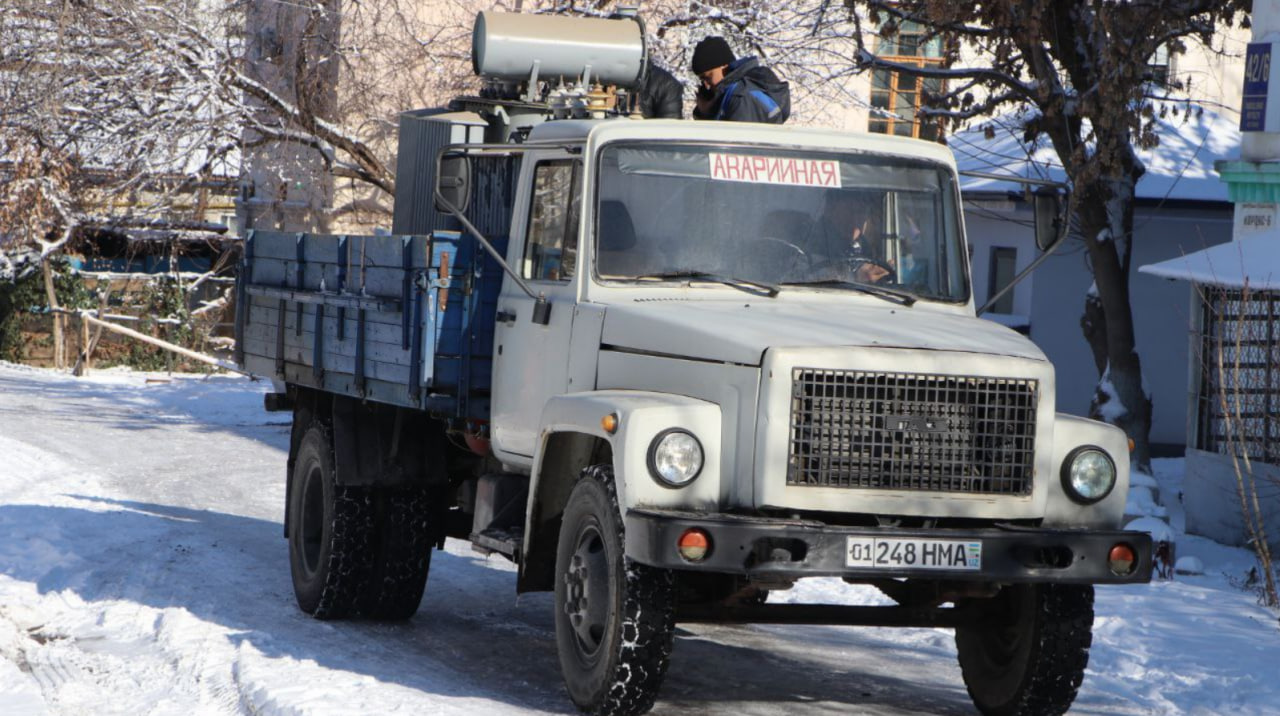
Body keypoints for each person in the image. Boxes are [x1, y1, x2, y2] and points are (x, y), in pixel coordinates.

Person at [689, 36, 790, 124]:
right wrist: (706, 112)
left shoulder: (742, 97)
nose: (706, 85)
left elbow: (736, 143)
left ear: (724, 66)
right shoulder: (732, 95)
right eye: (702, 80)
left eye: (708, 77)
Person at [809, 192, 892, 284]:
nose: (856, 220)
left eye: (861, 212)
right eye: (850, 211)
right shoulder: (809, 243)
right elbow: (805, 281)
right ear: (830, 209)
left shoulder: (863, 247)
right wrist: (856, 279)